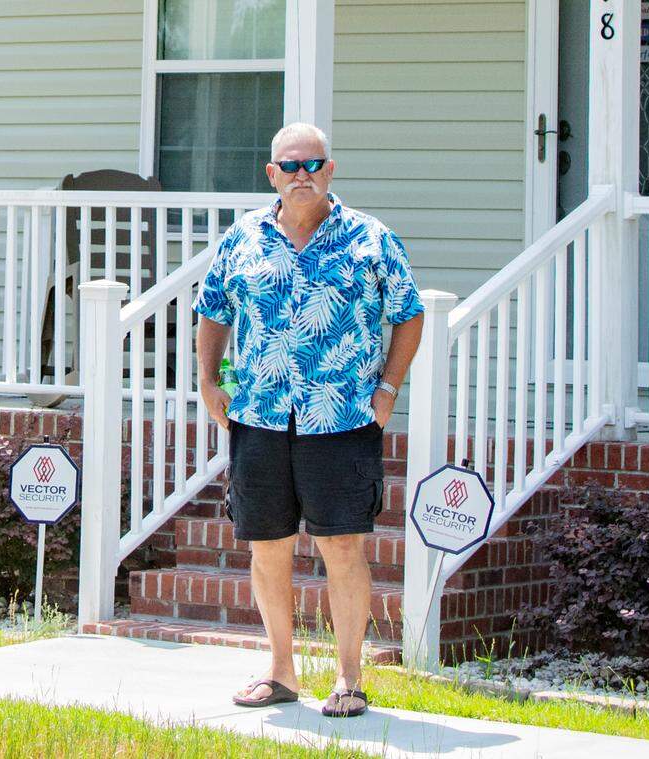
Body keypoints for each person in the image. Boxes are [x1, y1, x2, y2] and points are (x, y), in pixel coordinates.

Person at [193, 122, 424, 717]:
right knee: (267, 547)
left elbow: (409, 314)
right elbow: (213, 311)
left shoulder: (371, 239)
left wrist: (388, 387)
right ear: (271, 174)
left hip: (341, 417)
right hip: (260, 414)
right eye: (290, 166)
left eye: (312, 164)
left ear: (330, 169)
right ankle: (280, 671)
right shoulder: (241, 238)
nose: (302, 175)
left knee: (342, 545)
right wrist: (208, 379)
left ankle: (349, 679)